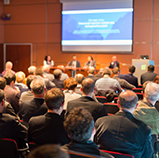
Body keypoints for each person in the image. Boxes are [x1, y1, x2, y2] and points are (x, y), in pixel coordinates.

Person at [94, 90, 154, 158]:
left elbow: (93, 148)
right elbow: (148, 156)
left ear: (118, 103)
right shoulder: (144, 129)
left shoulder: (100, 122)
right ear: (136, 106)